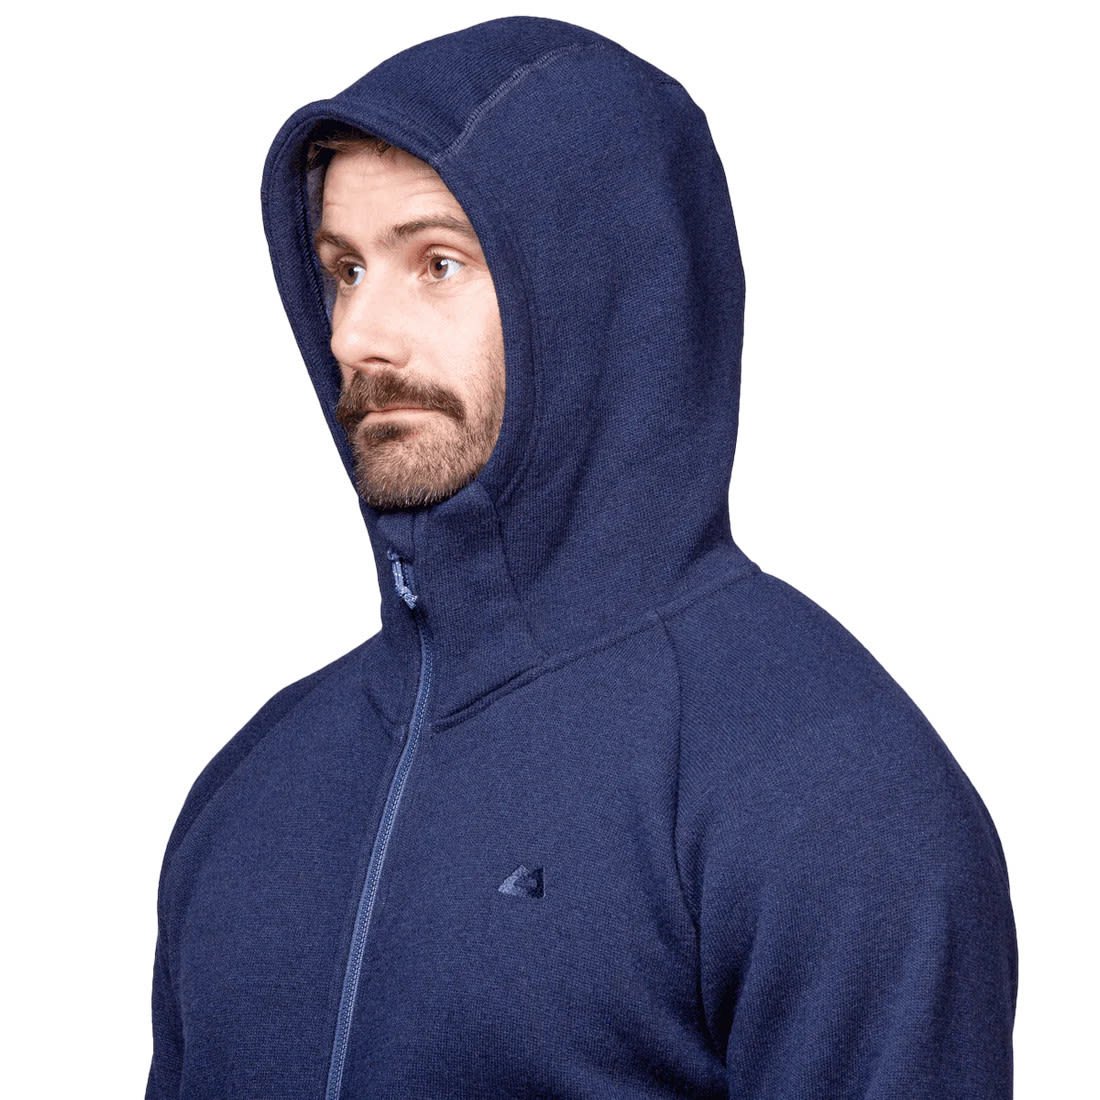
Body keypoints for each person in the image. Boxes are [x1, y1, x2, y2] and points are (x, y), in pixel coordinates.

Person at [145, 15, 1017, 1099]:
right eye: (346, 269)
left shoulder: (827, 787)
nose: (355, 334)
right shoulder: (254, 787)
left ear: (593, 289)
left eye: (437, 263)